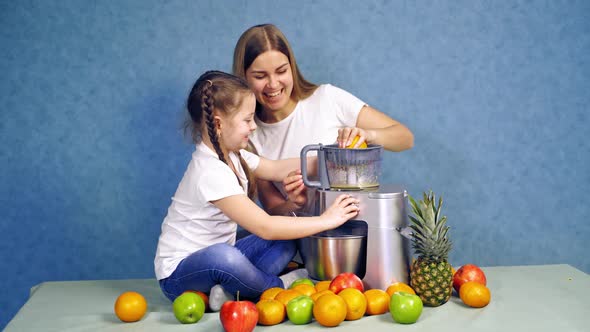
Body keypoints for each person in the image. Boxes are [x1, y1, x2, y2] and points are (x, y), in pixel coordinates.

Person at [154, 70, 360, 311]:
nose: (253, 127)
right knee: (224, 257)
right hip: (180, 276)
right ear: (219, 124)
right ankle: (278, 286)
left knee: (285, 239)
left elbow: (276, 168)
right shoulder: (208, 171)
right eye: (247, 120)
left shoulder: (235, 154)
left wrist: (334, 155)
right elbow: (265, 226)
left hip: (221, 262)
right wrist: (327, 220)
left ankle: (230, 292)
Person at [232, 23, 414, 216]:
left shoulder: (328, 98)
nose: (273, 84)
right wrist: (295, 203)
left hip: (356, 227)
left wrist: (368, 134)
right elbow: (272, 209)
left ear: (292, 67)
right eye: (260, 76)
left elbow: (405, 138)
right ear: (243, 78)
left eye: (281, 71)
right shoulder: (247, 133)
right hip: (304, 240)